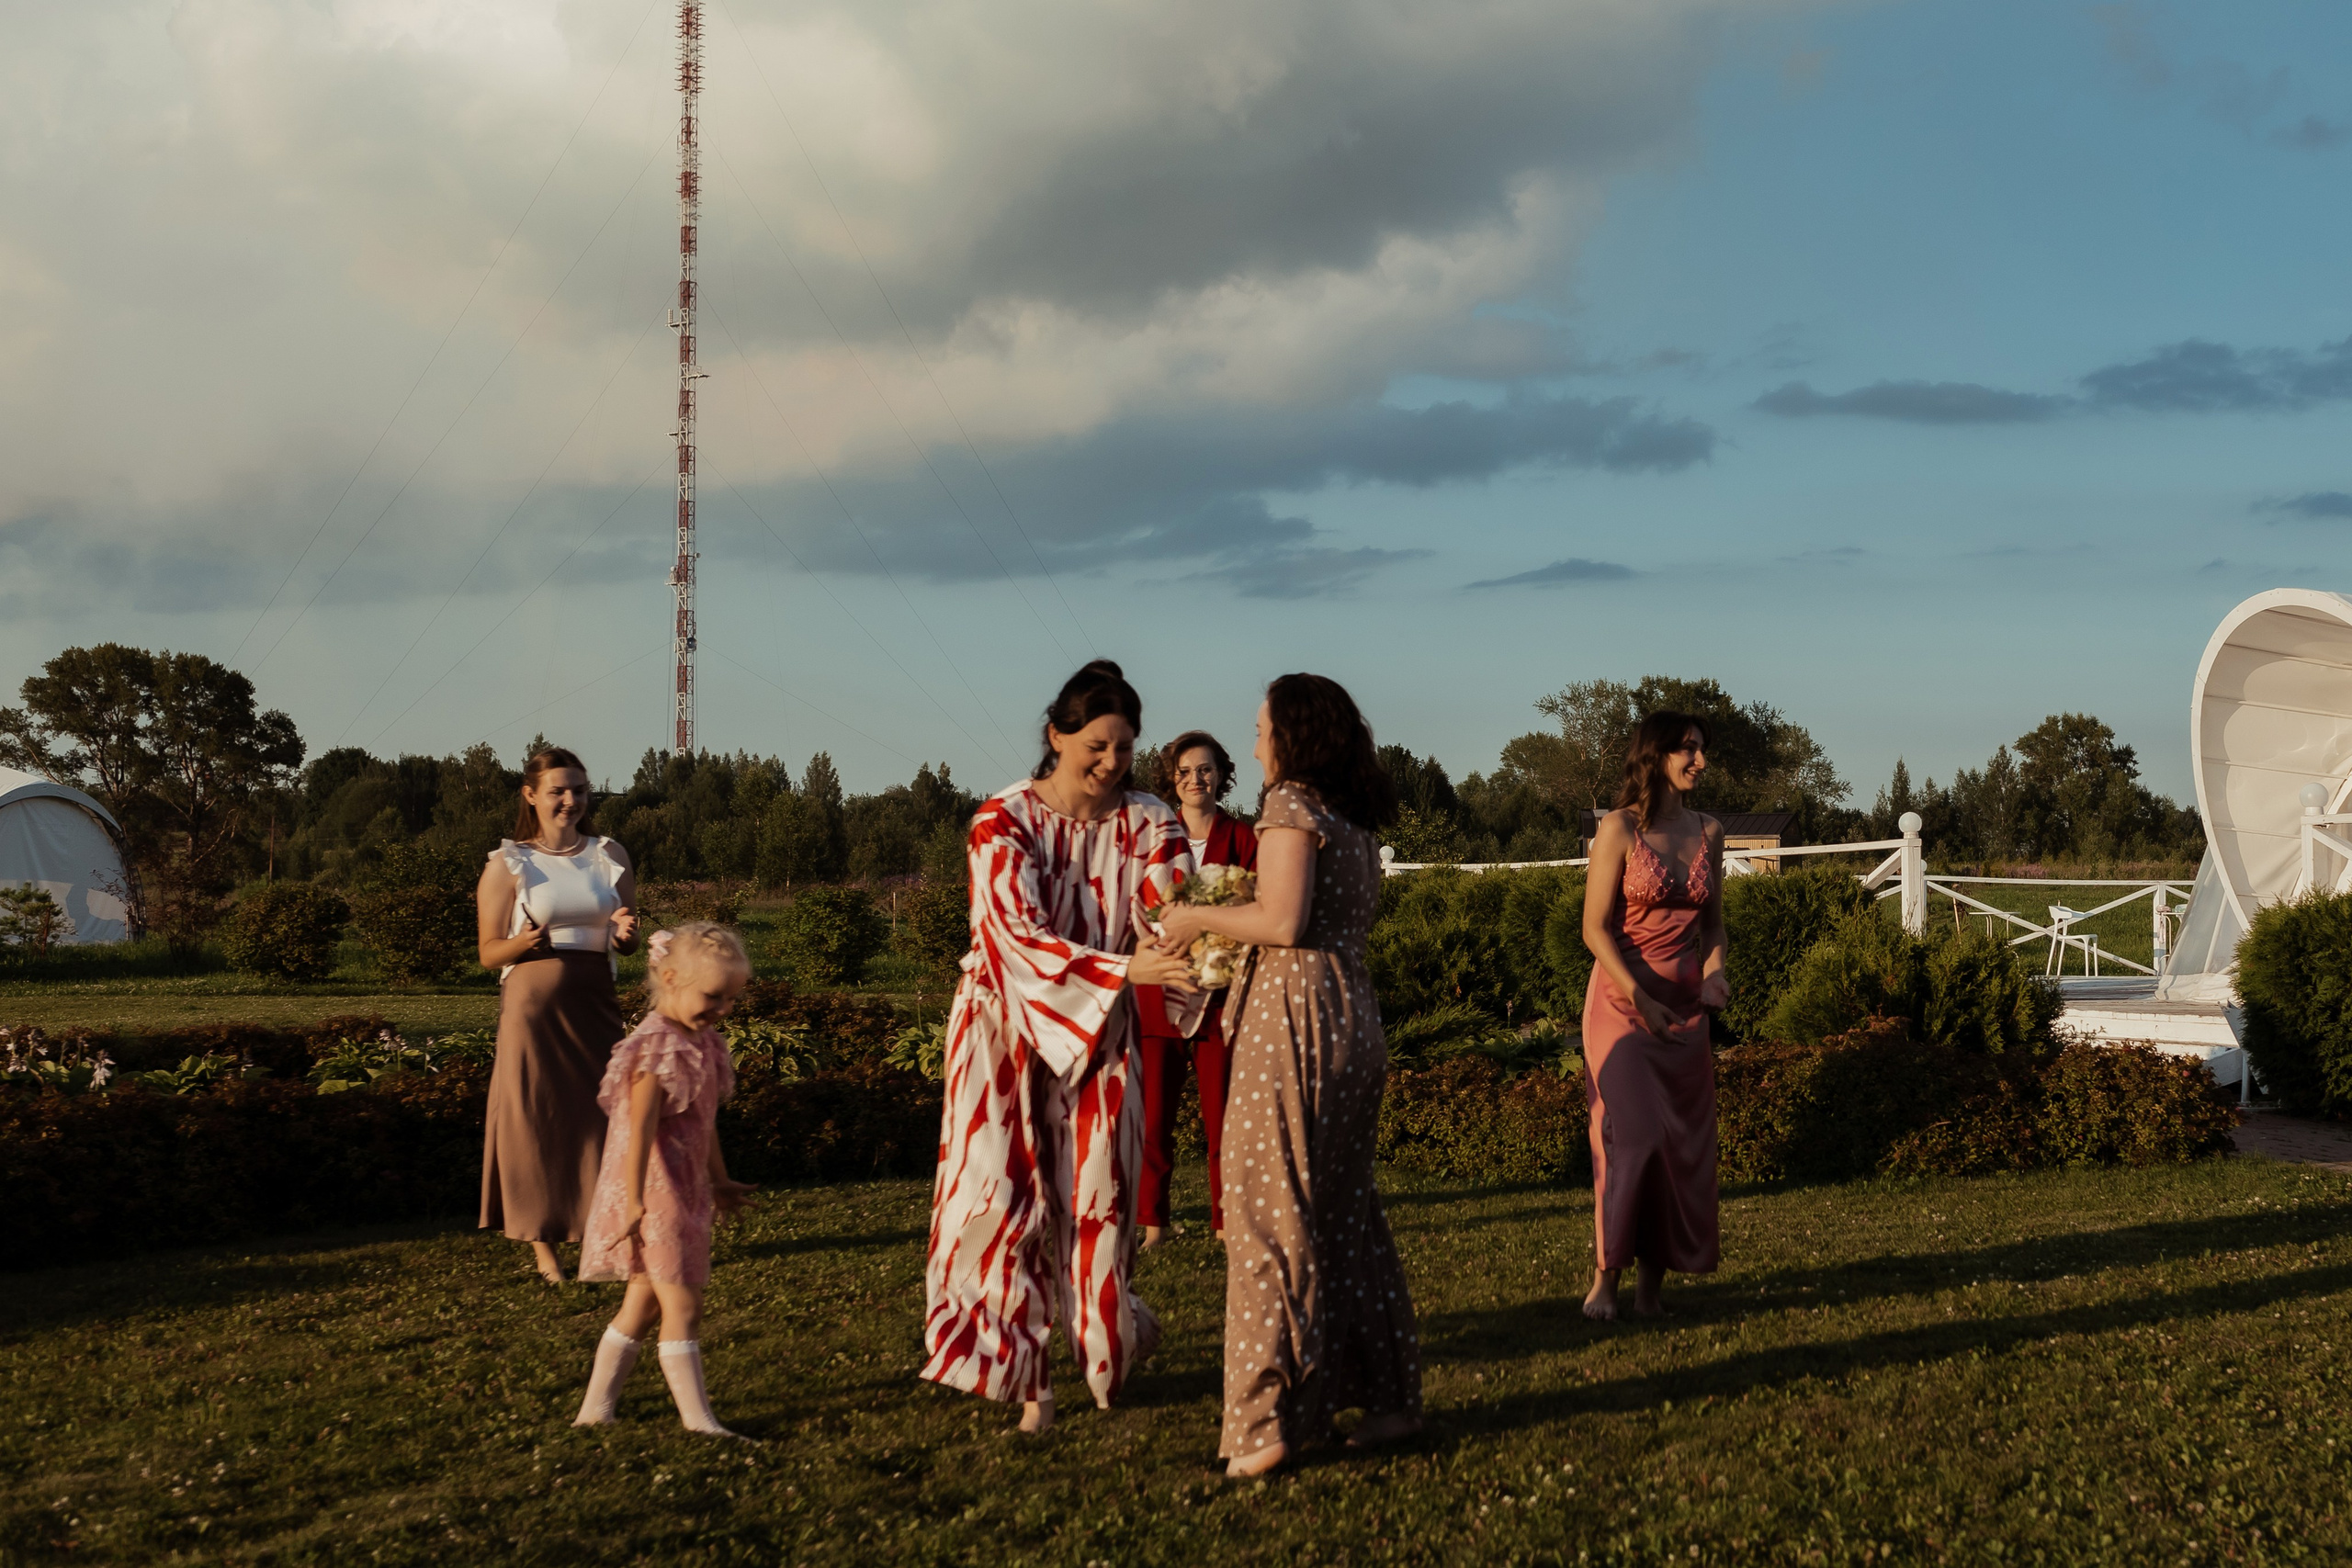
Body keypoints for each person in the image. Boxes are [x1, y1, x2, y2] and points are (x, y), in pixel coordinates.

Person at [921, 660, 1204, 1435]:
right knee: (1006, 1198)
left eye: (1125, 746)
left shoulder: (1151, 819)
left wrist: (1191, 944)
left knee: (1099, 1194)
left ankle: (1107, 1348)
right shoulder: (1000, 819)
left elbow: (1173, 906)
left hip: (1101, 1028)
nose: (1113, 761)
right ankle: (1027, 1382)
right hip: (1002, 1032)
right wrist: (1123, 967)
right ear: (1057, 735)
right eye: (1098, 744)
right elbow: (1011, 933)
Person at [1154, 673, 1421, 1480]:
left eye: (1264, 727)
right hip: (1353, 1013)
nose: (1257, 740)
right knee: (1345, 1213)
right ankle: (1388, 1398)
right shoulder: (1352, 815)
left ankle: (1264, 1421)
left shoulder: (1292, 806)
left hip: (1295, 1018)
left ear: (1295, 734)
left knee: (1268, 1211)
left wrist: (1193, 915)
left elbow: (1280, 919)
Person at [573, 922, 757, 1436]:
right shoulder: (654, 1051)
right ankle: (699, 1422)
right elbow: (636, 1132)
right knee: (685, 1304)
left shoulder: (703, 1042)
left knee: (644, 1302)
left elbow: (704, 1122)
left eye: (730, 1000)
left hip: (689, 1188)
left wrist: (719, 1180)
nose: (722, 1009)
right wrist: (633, 1203)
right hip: (657, 1194)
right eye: (713, 997)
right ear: (671, 978)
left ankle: (594, 1411)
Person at [1578, 711, 1726, 1322]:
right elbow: (1593, 928)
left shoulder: (1710, 830)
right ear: (1655, 755)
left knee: (1676, 1147)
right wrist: (1641, 999)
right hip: (1621, 1005)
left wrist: (1716, 972)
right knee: (1632, 1139)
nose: (1699, 760)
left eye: (1700, 750)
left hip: (1687, 1015)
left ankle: (1649, 1293)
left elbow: (1714, 924)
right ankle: (1603, 1284)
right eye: (1687, 750)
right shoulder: (1618, 828)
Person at [476, 747, 639, 1284]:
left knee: (602, 1116)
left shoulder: (609, 854)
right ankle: (544, 1246)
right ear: (531, 795)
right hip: (533, 1012)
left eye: (580, 790)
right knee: (537, 1119)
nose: (571, 800)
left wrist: (624, 935)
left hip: (595, 1004)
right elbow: (487, 953)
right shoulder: (509, 863)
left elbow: (626, 934)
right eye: (559, 791)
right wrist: (520, 943)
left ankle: (604, 1234)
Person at [1132, 730, 1258, 1247]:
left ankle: (1228, 1221)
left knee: (1224, 1117)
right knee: (1153, 1118)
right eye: (1184, 771)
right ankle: (1154, 1222)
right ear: (1172, 778)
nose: (1194, 779)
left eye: (1204, 769)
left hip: (1219, 995)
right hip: (1160, 990)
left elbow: (1258, 907)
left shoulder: (1245, 838)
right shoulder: (1154, 836)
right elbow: (1132, 904)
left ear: (1221, 775)